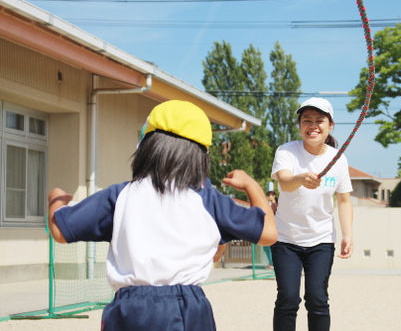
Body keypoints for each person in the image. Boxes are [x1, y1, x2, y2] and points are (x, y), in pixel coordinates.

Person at [47, 100, 277, 331]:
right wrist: (251, 185)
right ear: (202, 157)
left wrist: (56, 199)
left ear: (145, 148)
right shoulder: (208, 199)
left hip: (131, 309)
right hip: (190, 308)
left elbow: (60, 230)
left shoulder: (121, 196)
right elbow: (269, 232)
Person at [270, 97, 354, 331]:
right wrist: (300, 178)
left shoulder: (338, 159)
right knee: (288, 299)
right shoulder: (286, 151)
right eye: (307, 120)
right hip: (286, 239)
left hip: (321, 240)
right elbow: (284, 183)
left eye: (319, 120)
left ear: (330, 126)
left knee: (317, 299)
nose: (313, 125)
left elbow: (344, 200)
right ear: (299, 125)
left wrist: (347, 234)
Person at [264, 190, 278, 269]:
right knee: (267, 248)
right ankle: (271, 263)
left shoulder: (275, 205)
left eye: (270, 195)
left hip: (274, 228)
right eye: (268, 196)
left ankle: (273, 263)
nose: (268, 197)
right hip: (270, 228)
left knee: (271, 247)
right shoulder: (269, 205)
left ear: (274, 196)